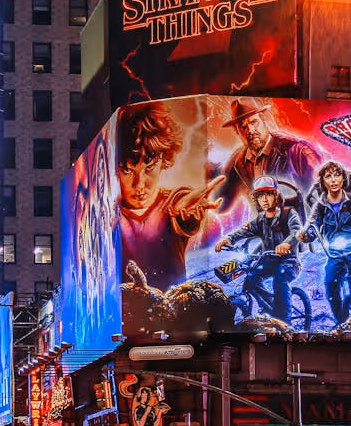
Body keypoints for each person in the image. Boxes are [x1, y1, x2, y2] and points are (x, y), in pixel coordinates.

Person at [116, 102, 225, 290]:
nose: (139, 184)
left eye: (149, 168)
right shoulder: (106, 215)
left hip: (174, 312)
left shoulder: (173, 202)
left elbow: (183, 206)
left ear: (163, 160)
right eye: (128, 170)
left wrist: (187, 215)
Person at [298, 161, 351, 326]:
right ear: (323, 181)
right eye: (328, 176)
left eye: (337, 175)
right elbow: (312, 224)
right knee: (330, 284)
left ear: (343, 179)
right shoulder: (320, 205)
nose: (333, 180)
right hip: (334, 253)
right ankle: (341, 322)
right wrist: (305, 234)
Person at [214, 175, 304, 323]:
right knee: (251, 276)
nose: (264, 199)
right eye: (260, 196)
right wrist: (227, 239)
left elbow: (296, 232)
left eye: (268, 194)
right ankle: (268, 305)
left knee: (280, 279)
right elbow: (243, 231)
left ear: (276, 196)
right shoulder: (260, 220)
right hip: (268, 261)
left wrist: (286, 244)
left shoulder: (288, 214)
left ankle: (285, 323)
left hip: (289, 261)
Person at [214, 98, 319, 214]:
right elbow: (222, 202)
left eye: (253, 122)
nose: (250, 130)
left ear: (264, 120)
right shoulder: (240, 163)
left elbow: (320, 196)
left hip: (298, 226)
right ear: (237, 132)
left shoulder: (297, 151)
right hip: (270, 228)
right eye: (243, 127)